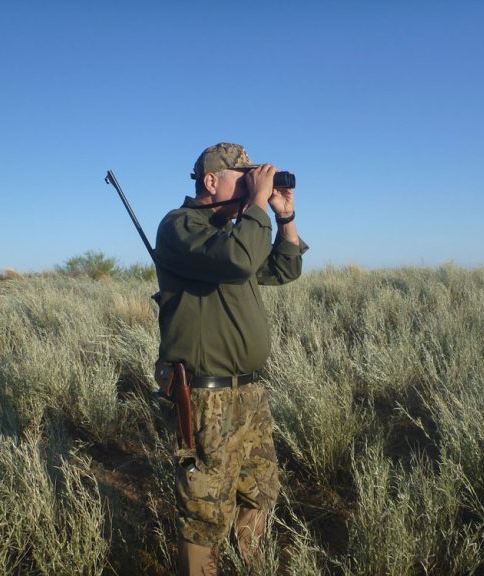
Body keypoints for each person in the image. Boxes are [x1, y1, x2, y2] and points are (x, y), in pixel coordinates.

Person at [153, 142, 308, 575]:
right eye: (243, 177)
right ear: (210, 181)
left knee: (259, 490)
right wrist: (256, 203)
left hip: (250, 393)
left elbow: (284, 269)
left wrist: (284, 217)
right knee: (204, 510)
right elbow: (238, 259)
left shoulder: (238, 233)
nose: (253, 184)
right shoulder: (180, 226)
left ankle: (250, 565)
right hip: (207, 397)